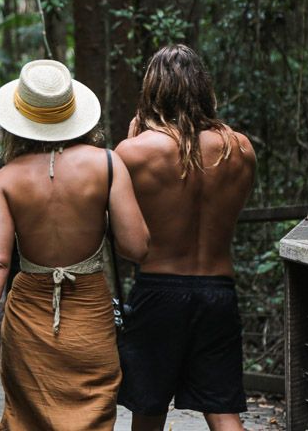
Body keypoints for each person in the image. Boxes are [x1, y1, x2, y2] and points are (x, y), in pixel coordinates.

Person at [0, 60, 149, 431]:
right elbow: (136, 248)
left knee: (28, 421)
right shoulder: (108, 165)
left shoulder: (6, 179)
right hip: (90, 313)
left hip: (28, 316)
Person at [115, 45, 257, 431]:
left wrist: (129, 143)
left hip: (159, 290)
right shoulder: (240, 149)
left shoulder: (133, 152)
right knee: (223, 411)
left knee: (148, 411)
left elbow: (119, 227)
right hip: (217, 289)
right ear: (203, 87)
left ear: (152, 90)